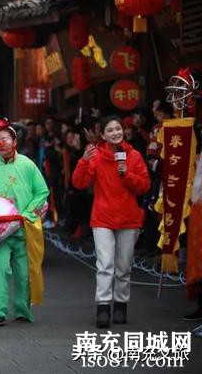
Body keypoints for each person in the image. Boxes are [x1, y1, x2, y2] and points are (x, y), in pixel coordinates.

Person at [72, 115, 150, 328]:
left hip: (129, 218)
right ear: (103, 135)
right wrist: (83, 160)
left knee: (123, 267)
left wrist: (128, 176)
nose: (115, 133)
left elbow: (144, 186)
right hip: (103, 218)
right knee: (105, 265)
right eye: (110, 130)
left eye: (118, 129)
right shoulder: (96, 157)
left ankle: (121, 305)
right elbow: (79, 183)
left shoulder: (133, 156)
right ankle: (103, 306)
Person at [0, 116, 49, 326]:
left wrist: (27, 214)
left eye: (5, 138)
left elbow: (42, 191)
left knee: (23, 272)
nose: (1, 142)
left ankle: (22, 310)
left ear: (14, 141)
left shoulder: (28, 165)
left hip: (22, 228)